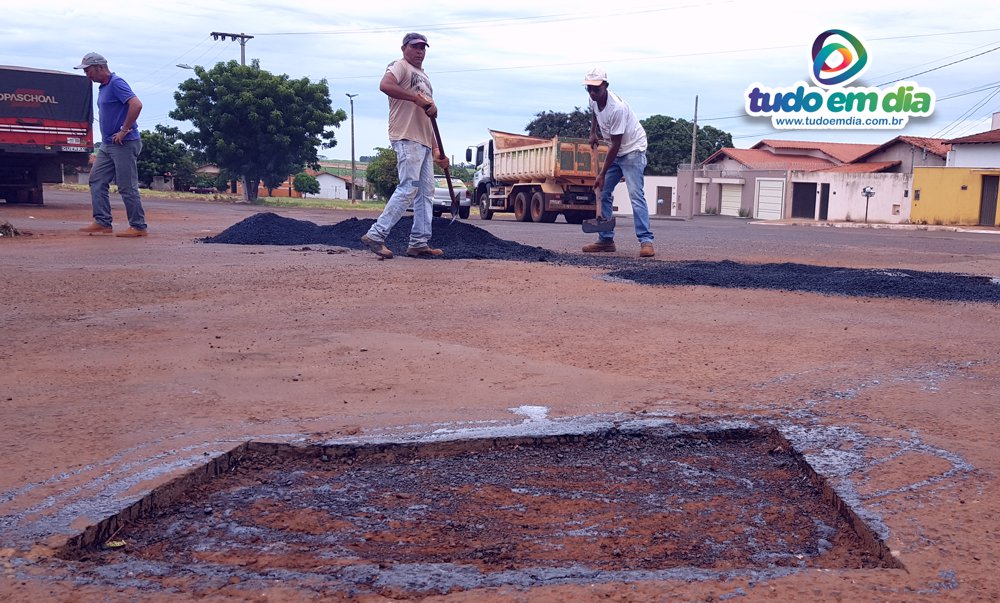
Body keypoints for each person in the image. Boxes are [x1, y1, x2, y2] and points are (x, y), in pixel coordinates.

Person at [361, 32, 449, 259]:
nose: (420, 51)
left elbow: (427, 117)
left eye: (423, 48)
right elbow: (385, 85)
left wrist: (437, 149)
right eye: (415, 47)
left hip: (424, 143)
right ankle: (376, 235)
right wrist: (414, 98)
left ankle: (419, 243)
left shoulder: (425, 77)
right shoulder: (399, 66)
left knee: (426, 193)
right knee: (409, 187)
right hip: (406, 138)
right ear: (404, 48)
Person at [582, 67, 654, 258]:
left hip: (632, 149)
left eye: (595, 88)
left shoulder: (617, 109)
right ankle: (606, 240)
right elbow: (594, 113)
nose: (591, 92)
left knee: (635, 195)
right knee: (603, 192)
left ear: (605, 85)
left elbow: (615, 145)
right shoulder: (593, 99)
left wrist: (602, 174)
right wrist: (593, 132)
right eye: (588, 88)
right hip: (617, 149)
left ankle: (646, 241)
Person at [74, 52, 147, 237]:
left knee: (126, 186)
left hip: (124, 143)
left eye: (88, 71)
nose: (87, 75)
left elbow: (136, 105)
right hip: (107, 145)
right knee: (96, 180)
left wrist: (124, 130)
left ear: (99, 67)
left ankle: (138, 227)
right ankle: (102, 222)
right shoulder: (103, 87)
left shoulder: (116, 83)